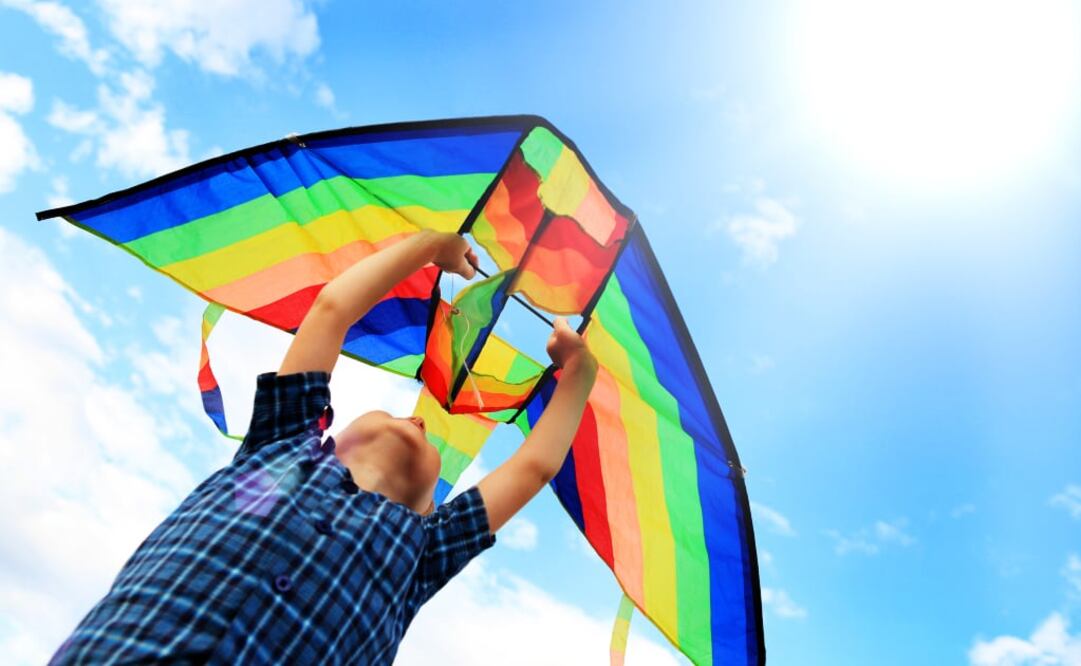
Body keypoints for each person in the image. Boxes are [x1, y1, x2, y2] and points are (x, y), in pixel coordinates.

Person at [51, 230, 598, 664]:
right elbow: (332, 308)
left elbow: (534, 464)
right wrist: (432, 246)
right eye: (398, 411)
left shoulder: (424, 550)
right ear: (331, 436)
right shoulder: (283, 441)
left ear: (431, 506)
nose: (417, 420)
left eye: (425, 432)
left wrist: (579, 372)